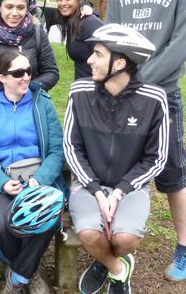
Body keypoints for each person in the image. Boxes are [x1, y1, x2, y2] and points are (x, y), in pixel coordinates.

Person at [105, 0, 186, 282]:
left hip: (162, 98)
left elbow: (181, 45)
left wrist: (138, 82)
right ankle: (116, 247)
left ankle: (184, 249)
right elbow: (110, 39)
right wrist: (116, 80)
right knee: (123, 170)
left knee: (173, 173)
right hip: (122, 96)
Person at [63, 24, 168, 294]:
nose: (89, 60)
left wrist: (119, 191)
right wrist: (97, 192)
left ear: (120, 62)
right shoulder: (79, 92)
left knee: (125, 238)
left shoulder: (154, 99)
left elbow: (156, 158)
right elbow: (71, 148)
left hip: (130, 186)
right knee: (87, 232)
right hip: (88, 185)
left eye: (97, 54)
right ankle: (116, 268)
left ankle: (105, 261)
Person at [0, 50, 67, 294]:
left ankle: (18, 278)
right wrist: (2, 183)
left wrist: (40, 179)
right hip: (2, 178)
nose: (26, 77)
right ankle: (30, 270)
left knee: (46, 218)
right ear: (2, 77)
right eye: (18, 73)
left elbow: (57, 150)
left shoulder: (42, 104)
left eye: (29, 71)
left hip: (38, 177)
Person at [52, 0, 103, 79]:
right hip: (82, 87)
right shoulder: (72, 22)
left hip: (95, 88)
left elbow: (108, 58)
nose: (63, 3)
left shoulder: (89, 23)